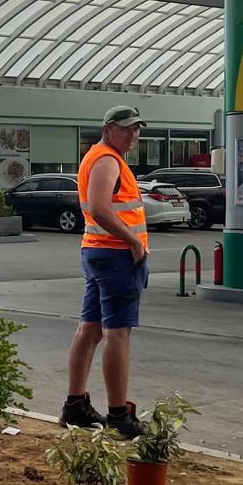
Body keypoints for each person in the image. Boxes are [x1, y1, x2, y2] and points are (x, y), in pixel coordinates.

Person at [61, 105, 150, 439]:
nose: (133, 135)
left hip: (98, 252)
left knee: (91, 329)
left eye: (136, 129)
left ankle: (75, 405)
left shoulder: (99, 157)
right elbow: (99, 208)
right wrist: (133, 242)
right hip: (115, 256)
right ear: (107, 129)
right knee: (117, 333)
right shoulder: (107, 160)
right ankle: (118, 415)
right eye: (126, 129)